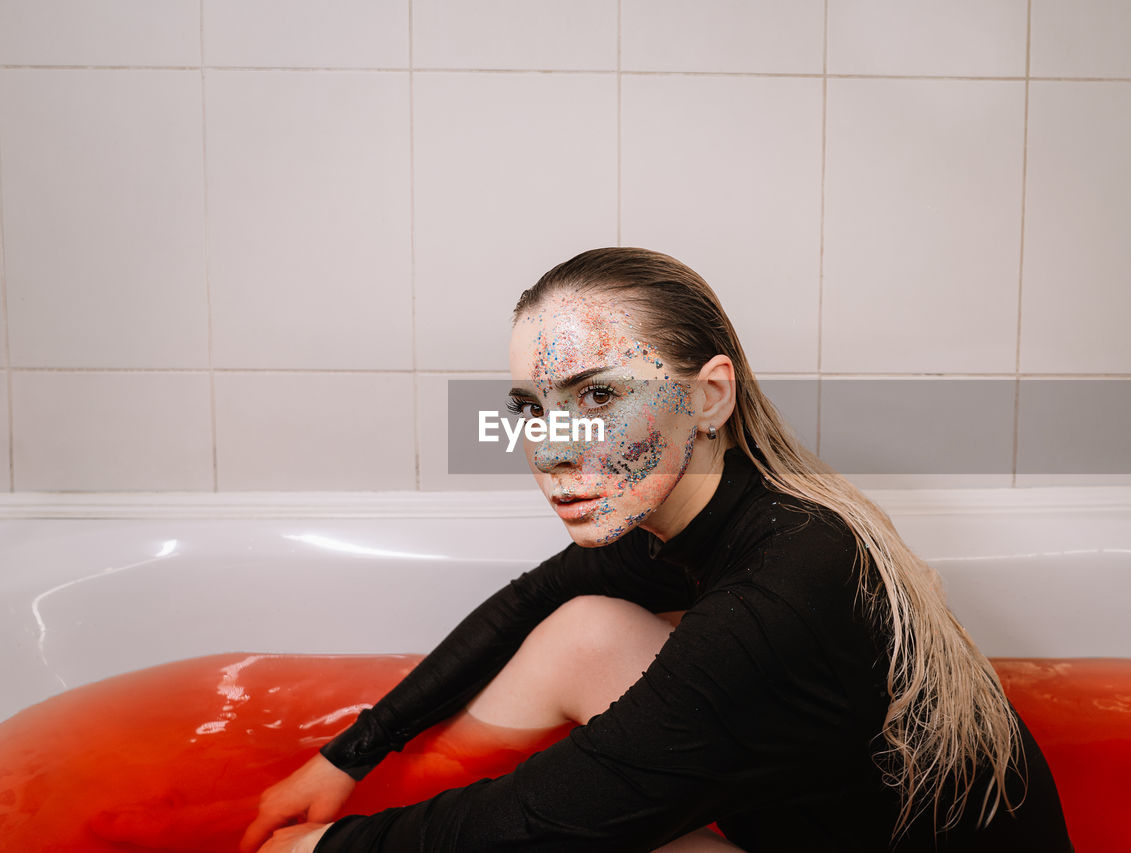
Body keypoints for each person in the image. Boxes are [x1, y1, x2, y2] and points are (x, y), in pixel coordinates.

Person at [241, 248, 1076, 852]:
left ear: (709, 396)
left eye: (599, 394)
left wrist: (319, 851)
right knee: (583, 627)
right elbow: (530, 601)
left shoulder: (790, 580)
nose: (552, 449)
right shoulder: (714, 505)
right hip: (818, 819)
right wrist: (347, 756)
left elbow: (550, 819)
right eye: (532, 406)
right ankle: (418, 779)